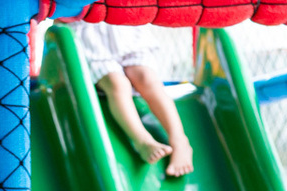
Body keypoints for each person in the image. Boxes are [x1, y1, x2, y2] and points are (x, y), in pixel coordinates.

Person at [68, 20, 193, 177]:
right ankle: (142, 140)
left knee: (147, 78)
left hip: (126, 30)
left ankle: (179, 139)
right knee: (117, 84)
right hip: (90, 41)